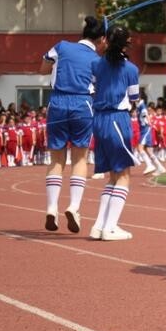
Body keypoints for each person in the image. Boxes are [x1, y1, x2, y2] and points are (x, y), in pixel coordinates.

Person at [39, 16, 106, 232]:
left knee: (56, 159)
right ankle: (74, 206)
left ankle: (51, 208)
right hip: (82, 104)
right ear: (101, 38)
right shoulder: (97, 60)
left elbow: (43, 68)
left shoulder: (62, 46)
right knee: (80, 158)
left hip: (57, 102)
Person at [87, 25, 141, 241]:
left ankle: (100, 225)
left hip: (99, 120)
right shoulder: (130, 69)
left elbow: (92, 89)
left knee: (113, 176)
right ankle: (110, 227)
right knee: (124, 175)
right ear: (126, 43)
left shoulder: (95, 64)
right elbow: (134, 98)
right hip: (117, 119)